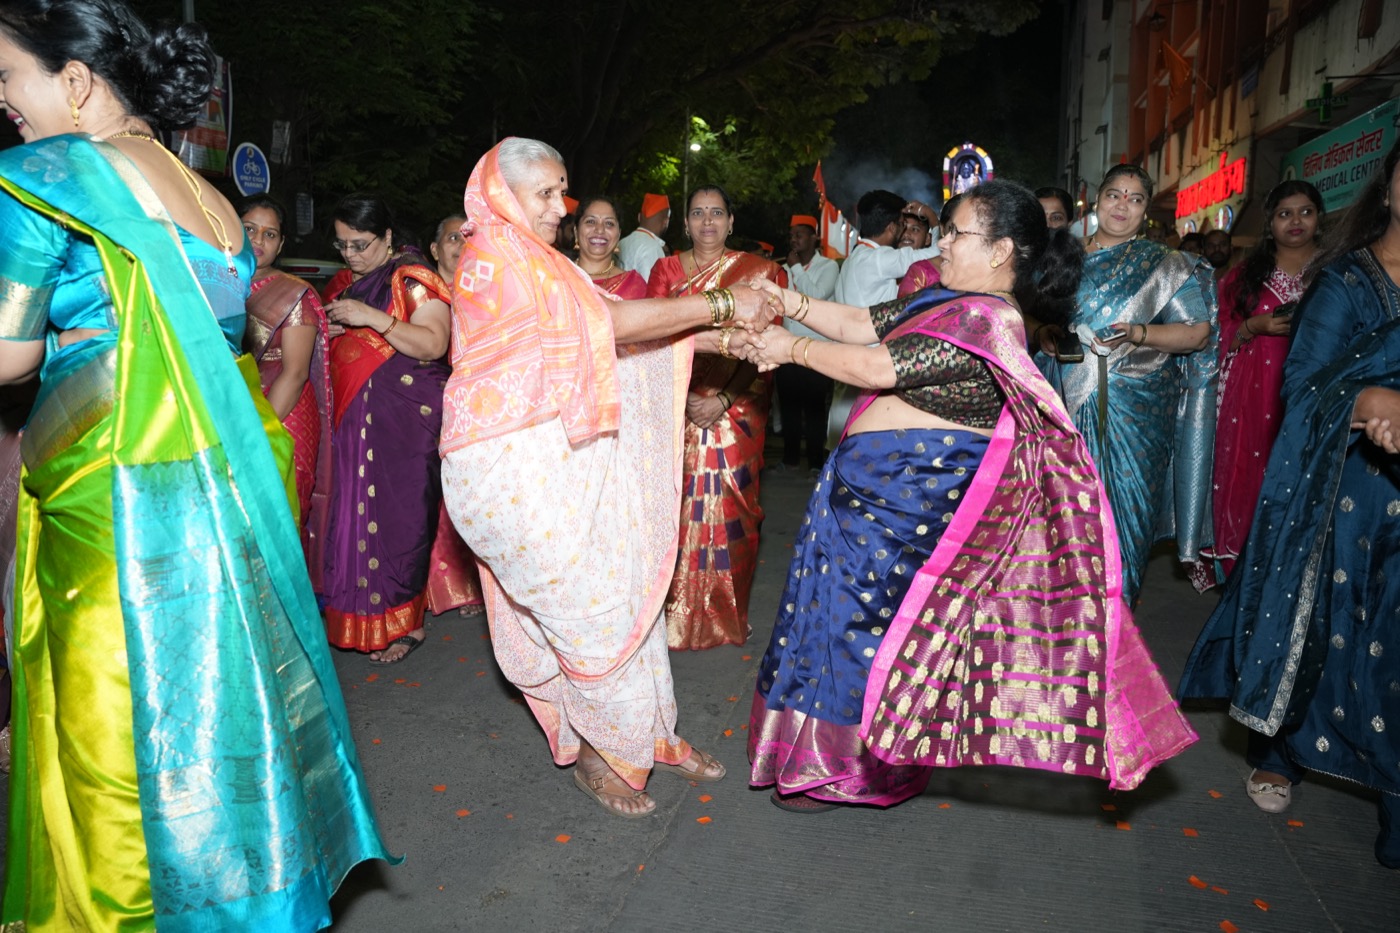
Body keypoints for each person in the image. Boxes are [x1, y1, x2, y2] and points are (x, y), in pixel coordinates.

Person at [0, 3, 393, 927]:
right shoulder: (211, 201)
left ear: (76, 80)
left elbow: (9, 355)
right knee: (202, 724)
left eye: (7, 77)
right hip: (206, 507)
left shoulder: (49, 175)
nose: (3, 103)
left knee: (113, 745)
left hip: (109, 511)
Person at [730, 179, 1196, 812]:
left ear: (1002, 249)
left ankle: (850, 768)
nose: (941, 243)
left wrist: (786, 346)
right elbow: (863, 323)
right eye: (944, 231)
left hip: (901, 512)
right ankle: (820, 758)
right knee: (831, 626)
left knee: (859, 636)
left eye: (957, 233)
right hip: (865, 500)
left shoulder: (989, 319)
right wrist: (785, 298)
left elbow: (876, 369)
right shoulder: (948, 299)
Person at [440, 137, 775, 817]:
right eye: (544, 193)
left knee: (627, 586)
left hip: (558, 458)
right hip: (511, 471)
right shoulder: (497, 256)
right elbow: (610, 322)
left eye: (561, 191)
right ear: (503, 191)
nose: (558, 208)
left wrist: (710, 339)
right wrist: (721, 309)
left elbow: (602, 338)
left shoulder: (535, 257)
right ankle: (601, 745)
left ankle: (652, 731)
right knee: (588, 610)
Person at [1179, 139, 1400, 870]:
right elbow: (1306, 385)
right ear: (1388, 190)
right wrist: (1366, 399)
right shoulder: (1348, 281)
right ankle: (1282, 748)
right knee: (1323, 617)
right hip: (1346, 487)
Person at [1036, 163, 1217, 604]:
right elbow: (1033, 318)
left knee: (1126, 528)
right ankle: (1066, 641)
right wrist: (1045, 337)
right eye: (1115, 194)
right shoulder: (1060, 256)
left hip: (1140, 414)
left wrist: (1138, 333)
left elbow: (1197, 333)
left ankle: (1116, 635)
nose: (1123, 206)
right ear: (1097, 200)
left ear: (1146, 211)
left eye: (1135, 199)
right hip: (1065, 404)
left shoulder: (1166, 265)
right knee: (1060, 526)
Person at [647, 184, 787, 650]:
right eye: (698, 214)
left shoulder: (762, 273)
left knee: (734, 511)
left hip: (738, 408)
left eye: (717, 213)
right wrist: (686, 396)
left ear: (730, 222)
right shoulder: (665, 270)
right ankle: (669, 617)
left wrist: (723, 400)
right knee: (672, 509)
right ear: (684, 223)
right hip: (675, 405)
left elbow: (769, 347)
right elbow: (652, 336)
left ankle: (727, 615)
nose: (707, 222)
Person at [321, 193, 452, 662]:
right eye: (342, 246)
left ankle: (407, 625)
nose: (352, 256)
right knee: (356, 515)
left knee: (400, 519)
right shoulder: (352, 281)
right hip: (359, 416)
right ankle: (359, 618)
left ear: (389, 237)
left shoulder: (412, 277)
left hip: (405, 420)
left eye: (361, 245)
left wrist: (371, 318)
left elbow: (433, 342)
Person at [1200, 180, 1322, 584]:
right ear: (1270, 223)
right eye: (1285, 213)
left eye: (1305, 211)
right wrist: (1254, 325)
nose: (1296, 221)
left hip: (1313, 395)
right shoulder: (1244, 276)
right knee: (1253, 476)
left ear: (1319, 218)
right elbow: (1217, 331)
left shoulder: (1336, 271)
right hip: (1252, 398)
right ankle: (1244, 578)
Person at [239, 194, 333, 588]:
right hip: (236, 403)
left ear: (280, 245)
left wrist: (259, 435)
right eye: (249, 230)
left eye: (270, 234)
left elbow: (294, 373)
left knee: (278, 510)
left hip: (282, 412)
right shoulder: (212, 280)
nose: (258, 239)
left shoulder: (293, 293)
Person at [779, 213, 838, 470]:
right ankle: (789, 460)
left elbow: (813, 296)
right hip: (786, 346)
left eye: (799, 235)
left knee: (815, 407)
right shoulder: (783, 268)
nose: (794, 240)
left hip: (815, 348)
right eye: (791, 236)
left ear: (814, 238)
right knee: (789, 405)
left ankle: (815, 463)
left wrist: (794, 269)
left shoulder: (829, 267)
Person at [575, 195, 647, 298]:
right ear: (575, 231)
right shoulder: (556, 275)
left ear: (618, 235)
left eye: (609, 223)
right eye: (590, 221)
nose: (600, 230)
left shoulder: (634, 285)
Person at [618, 191, 670, 282]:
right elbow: (651, 289)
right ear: (666, 222)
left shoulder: (621, 242)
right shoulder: (653, 248)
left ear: (639, 217)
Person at [429, 211, 468, 284]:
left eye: (470, 239)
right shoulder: (421, 292)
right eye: (454, 238)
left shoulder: (490, 293)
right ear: (435, 251)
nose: (464, 244)